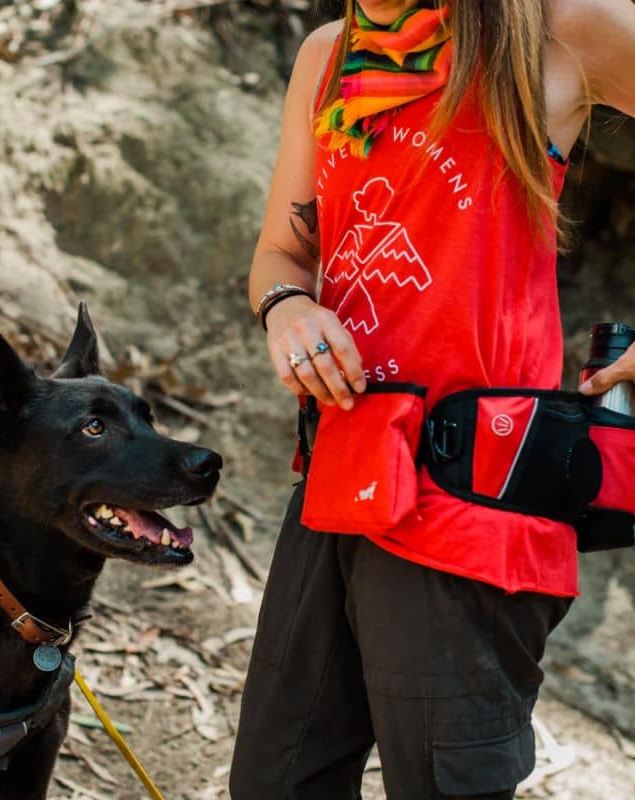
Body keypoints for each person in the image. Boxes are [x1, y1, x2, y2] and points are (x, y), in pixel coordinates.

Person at [230, 1, 635, 798]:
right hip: (338, 481)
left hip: (473, 516)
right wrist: (288, 307)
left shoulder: (556, 29)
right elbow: (282, 251)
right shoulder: (329, 55)